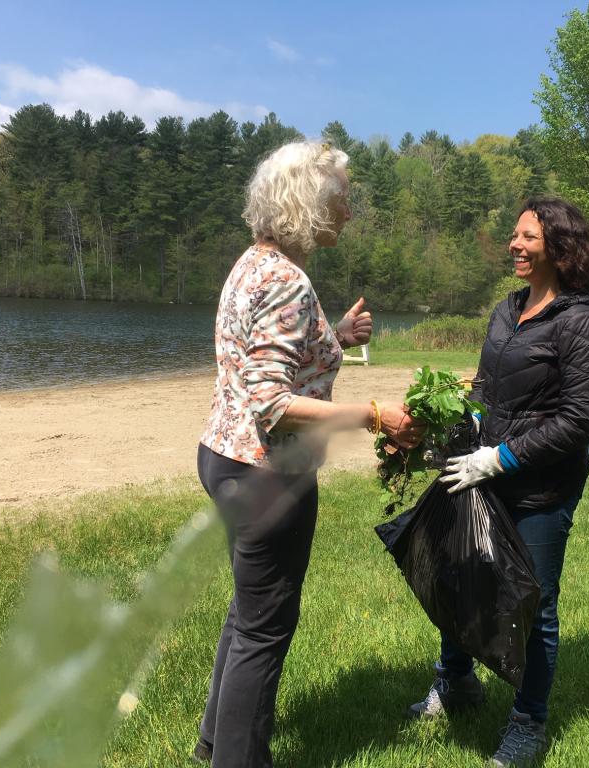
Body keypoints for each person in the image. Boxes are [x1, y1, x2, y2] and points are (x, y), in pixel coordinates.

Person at [194, 140, 423, 768]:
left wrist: (335, 336)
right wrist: (375, 415)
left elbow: (267, 357)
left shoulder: (255, 264)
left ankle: (215, 741)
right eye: (341, 199)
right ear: (307, 204)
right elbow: (272, 403)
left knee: (249, 611)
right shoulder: (287, 281)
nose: (348, 212)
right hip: (269, 471)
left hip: (224, 456)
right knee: (265, 628)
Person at [409, 197, 589, 767]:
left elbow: (578, 422)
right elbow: (486, 387)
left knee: (533, 604)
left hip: (541, 488)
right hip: (482, 472)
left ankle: (528, 723)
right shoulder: (508, 309)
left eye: (527, 237)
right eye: (514, 236)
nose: (514, 245)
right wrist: (467, 422)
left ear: (559, 246)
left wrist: (501, 459)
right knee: (460, 578)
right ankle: (456, 681)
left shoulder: (582, 323)